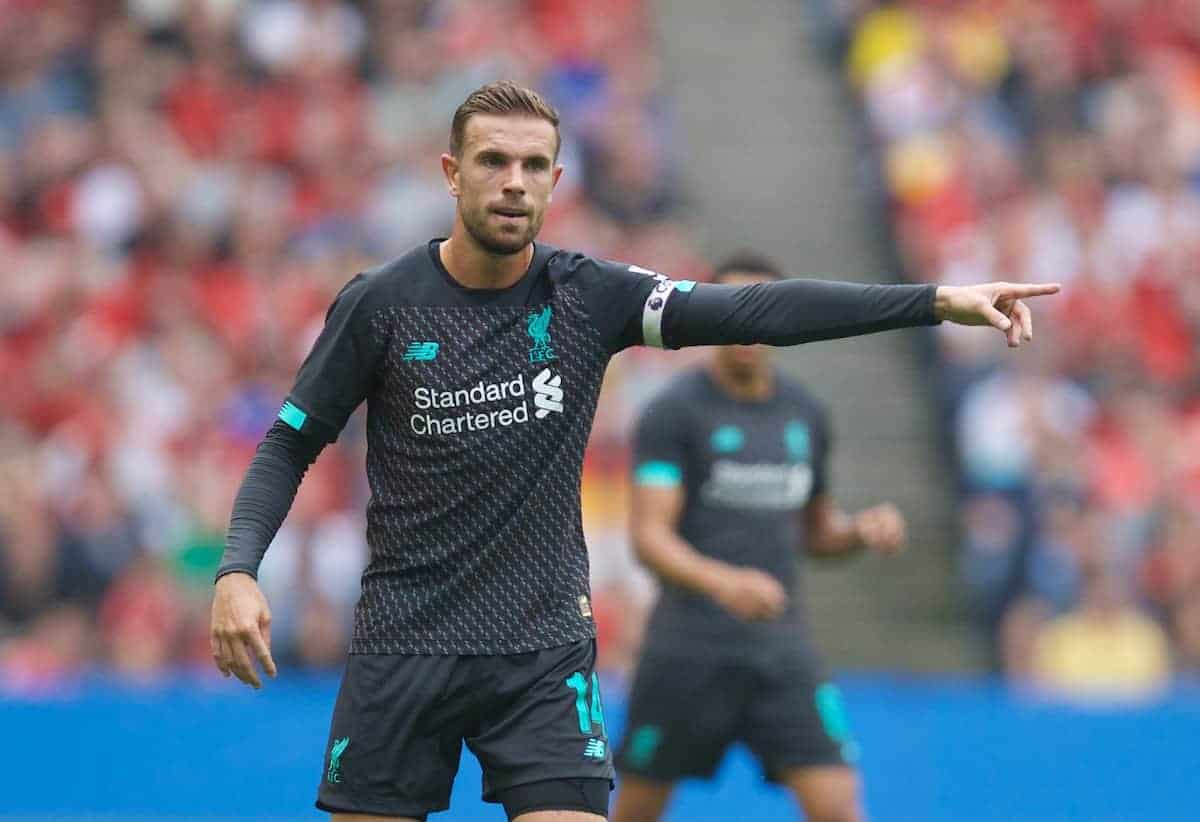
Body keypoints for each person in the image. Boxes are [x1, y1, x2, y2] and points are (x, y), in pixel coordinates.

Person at [208, 81, 1059, 822]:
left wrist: (939, 300)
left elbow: (751, 313)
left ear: (556, 181)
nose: (513, 183)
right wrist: (238, 568)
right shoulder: (382, 305)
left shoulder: (587, 298)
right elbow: (290, 442)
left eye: (534, 166)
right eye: (494, 161)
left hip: (540, 651)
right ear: (450, 172)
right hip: (404, 641)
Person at [612, 252, 906, 822]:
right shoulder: (673, 414)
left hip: (781, 649)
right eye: (731, 310)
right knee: (637, 812)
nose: (746, 324)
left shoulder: (805, 414)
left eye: (762, 310)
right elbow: (649, 537)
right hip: (687, 651)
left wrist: (860, 532)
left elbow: (817, 534)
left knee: (841, 806)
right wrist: (724, 583)